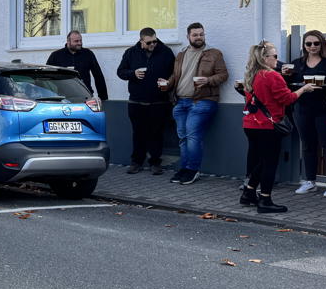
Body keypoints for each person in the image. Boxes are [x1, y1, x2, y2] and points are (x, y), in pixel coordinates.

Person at [241, 42, 317, 213]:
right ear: (264, 58)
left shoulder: (251, 75)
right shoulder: (272, 76)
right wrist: (304, 89)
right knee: (269, 163)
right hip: (268, 125)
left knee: (261, 161)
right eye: (274, 56)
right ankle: (265, 200)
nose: (277, 59)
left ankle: (249, 192)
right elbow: (287, 99)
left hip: (251, 123)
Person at [166, 23, 228, 185]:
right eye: (195, 35)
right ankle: (184, 168)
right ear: (188, 37)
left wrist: (208, 80)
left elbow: (223, 75)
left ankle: (193, 170)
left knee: (192, 136)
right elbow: (176, 75)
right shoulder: (181, 54)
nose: (199, 37)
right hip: (180, 102)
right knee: (183, 138)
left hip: (202, 101)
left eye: (201, 34)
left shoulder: (214, 53)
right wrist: (167, 83)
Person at [284, 30, 326, 197]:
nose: (312, 47)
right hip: (303, 109)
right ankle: (310, 181)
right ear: (304, 45)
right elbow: (289, 84)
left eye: (316, 43)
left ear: (322, 43)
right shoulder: (297, 63)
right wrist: (287, 75)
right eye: (308, 44)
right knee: (308, 145)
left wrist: (308, 79)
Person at [116, 27, 176, 174]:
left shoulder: (166, 52)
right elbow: (120, 72)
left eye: (154, 41)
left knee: (156, 133)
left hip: (159, 102)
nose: (152, 45)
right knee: (138, 133)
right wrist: (133, 73)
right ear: (141, 41)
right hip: (136, 101)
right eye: (149, 42)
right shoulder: (131, 52)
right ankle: (136, 162)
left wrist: (168, 83)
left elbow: (175, 73)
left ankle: (155, 163)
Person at [46, 30, 108, 100]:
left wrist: (103, 98)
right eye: (76, 41)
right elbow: (47, 77)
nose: (79, 43)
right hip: (63, 97)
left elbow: (98, 76)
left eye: (80, 40)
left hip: (85, 95)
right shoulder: (56, 55)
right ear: (68, 42)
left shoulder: (88, 54)